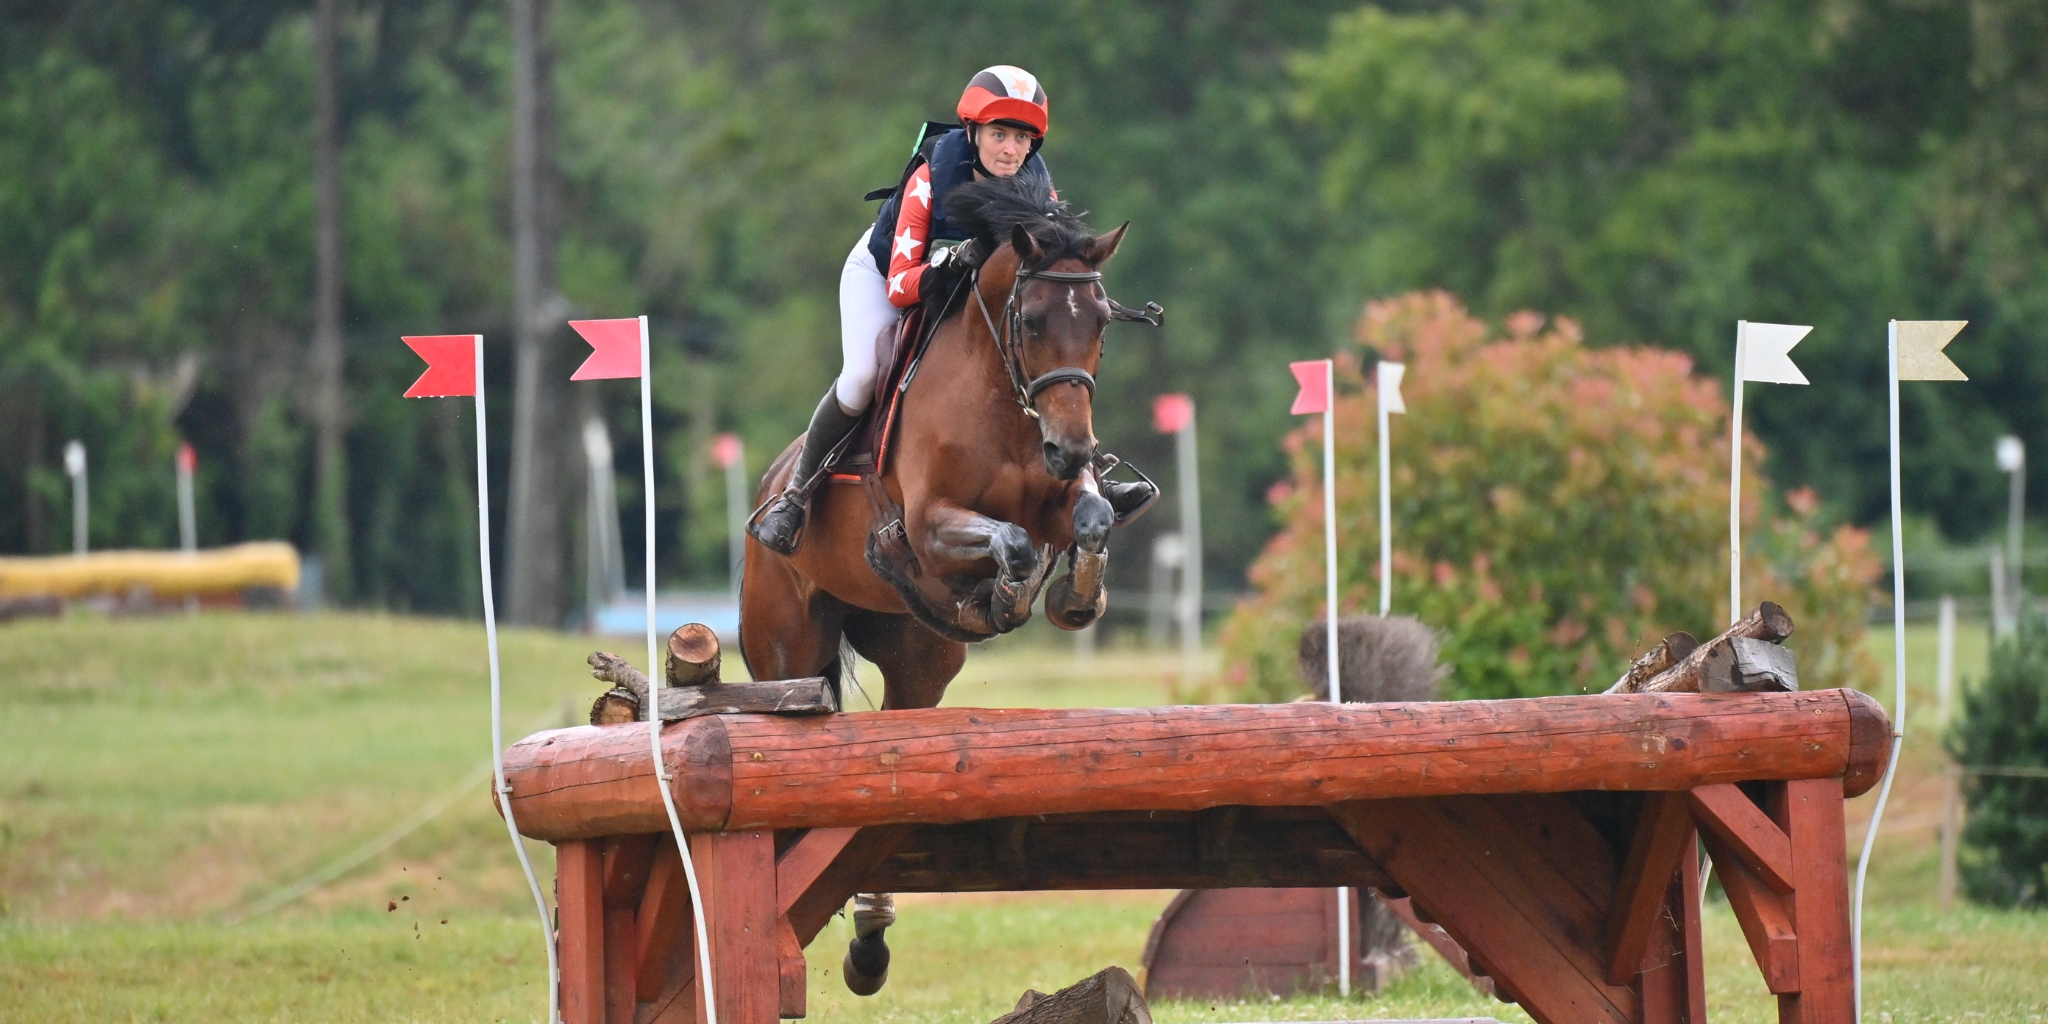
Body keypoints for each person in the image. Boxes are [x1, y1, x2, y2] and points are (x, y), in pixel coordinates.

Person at [750, 66, 1152, 555]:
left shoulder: (1037, 191)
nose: (1010, 150)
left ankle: (1090, 480)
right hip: (888, 273)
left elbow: (1046, 280)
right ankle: (797, 495)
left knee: (1046, 353)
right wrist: (953, 261)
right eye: (999, 134)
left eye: (1022, 139)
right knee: (860, 375)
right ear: (972, 132)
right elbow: (900, 285)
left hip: (965, 287)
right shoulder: (929, 177)